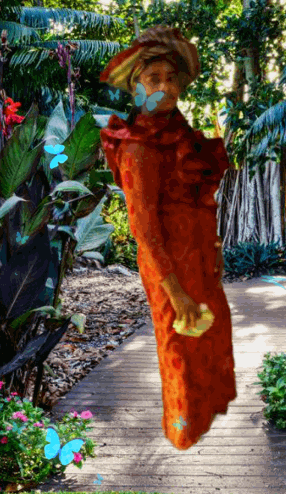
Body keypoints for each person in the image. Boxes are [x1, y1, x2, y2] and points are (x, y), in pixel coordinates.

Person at [100, 25, 237, 450]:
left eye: (172, 78)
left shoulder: (183, 138)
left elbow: (201, 202)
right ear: (136, 88)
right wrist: (174, 290)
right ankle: (183, 431)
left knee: (209, 335)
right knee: (179, 341)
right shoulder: (138, 148)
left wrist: (215, 248)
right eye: (154, 78)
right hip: (168, 264)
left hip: (199, 254)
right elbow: (143, 229)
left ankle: (204, 417)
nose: (166, 86)